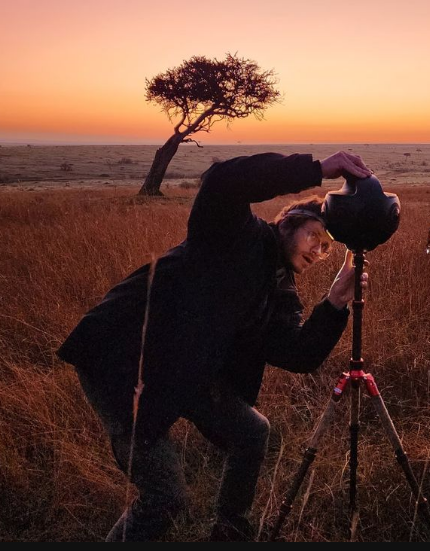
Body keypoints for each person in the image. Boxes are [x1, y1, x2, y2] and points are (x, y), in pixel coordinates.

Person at [56, 151, 374, 541]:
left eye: (326, 247)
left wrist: (335, 303)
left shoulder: (280, 289)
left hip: (187, 369)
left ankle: (229, 530)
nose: (317, 250)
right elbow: (224, 179)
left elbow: (297, 353)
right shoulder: (233, 233)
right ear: (289, 222)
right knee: (164, 496)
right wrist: (316, 169)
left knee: (251, 432)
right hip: (121, 359)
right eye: (314, 236)